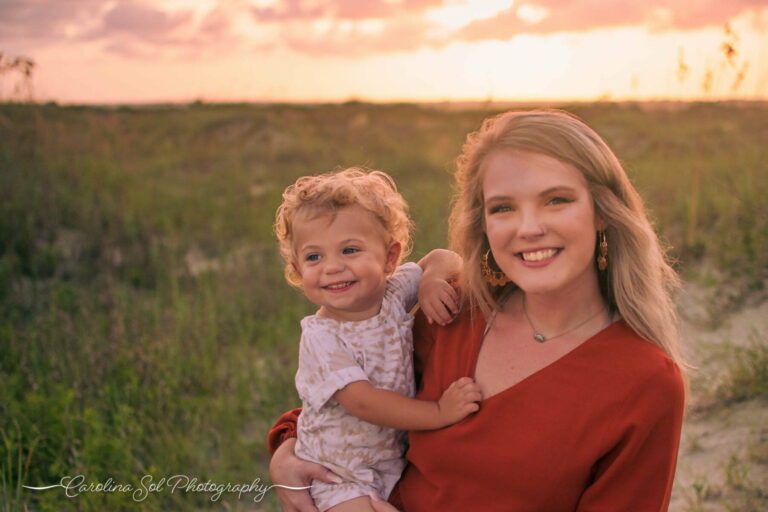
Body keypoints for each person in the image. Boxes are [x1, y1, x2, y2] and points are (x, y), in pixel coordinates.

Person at [268, 110, 686, 512]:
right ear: (482, 224)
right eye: (503, 207)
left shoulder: (644, 381)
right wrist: (286, 449)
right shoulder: (452, 312)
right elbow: (354, 406)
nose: (528, 228)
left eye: (556, 200)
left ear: (602, 212)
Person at [273, 167, 483, 512]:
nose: (331, 267)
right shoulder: (322, 337)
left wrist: (431, 280)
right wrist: (439, 413)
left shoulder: (393, 293)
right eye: (314, 257)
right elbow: (364, 402)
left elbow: (446, 258)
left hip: (387, 461)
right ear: (298, 270)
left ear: (389, 258)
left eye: (349, 250)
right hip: (336, 473)